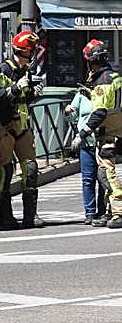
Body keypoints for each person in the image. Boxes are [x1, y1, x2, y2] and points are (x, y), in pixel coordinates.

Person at [0, 30, 44, 230]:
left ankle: (30, 215)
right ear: (26, 51)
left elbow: (23, 100)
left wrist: (32, 94)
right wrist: (15, 89)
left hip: (23, 127)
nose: (34, 53)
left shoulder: (26, 70)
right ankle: (6, 216)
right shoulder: (3, 69)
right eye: (33, 50)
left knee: (30, 169)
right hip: (5, 127)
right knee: (5, 170)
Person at [80, 39, 122, 229]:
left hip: (108, 133)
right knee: (103, 171)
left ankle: (118, 212)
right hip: (116, 130)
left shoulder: (102, 81)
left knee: (106, 173)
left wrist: (82, 133)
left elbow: (100, 111)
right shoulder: (115, 76)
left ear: (92, 61)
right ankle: (108, 212)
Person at [66, 77, 107, 225]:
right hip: (86, 142)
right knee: (88, 179)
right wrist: (68, 112)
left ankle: (104, 211)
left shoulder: (103, 93)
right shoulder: (81, 95)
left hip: (102, 140)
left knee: (103, 178)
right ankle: (90, 212)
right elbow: (73, 117)